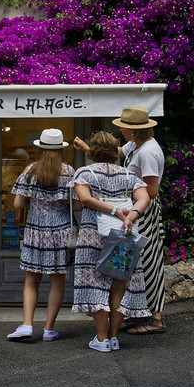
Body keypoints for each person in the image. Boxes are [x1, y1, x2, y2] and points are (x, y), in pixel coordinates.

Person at [71, 130, 151, 352]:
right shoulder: (128, 175)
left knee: (96, 283)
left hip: (93, 236)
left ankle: (101, 337)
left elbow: (85, 199)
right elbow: (144, 197)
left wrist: (115, 210)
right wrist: (131, 215)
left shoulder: (84, 173)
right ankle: (114, 337)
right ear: (115, 152)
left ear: (92, 151)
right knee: (119, 284)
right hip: (123, 236)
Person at [7, 128, 76, 343]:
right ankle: (49, 329)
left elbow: (17, 204)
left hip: (36, 230)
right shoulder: (69, 172)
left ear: (40, 149)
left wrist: (33, 200)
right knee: (57, 281)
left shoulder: (30, 171)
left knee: (31, 280)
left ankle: (27, 324)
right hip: (61, 230)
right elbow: (79, 204)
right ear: (60, 150)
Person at [115, 107, 167, 335]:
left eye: (123, 126)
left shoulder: (147, 153)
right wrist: (90, 149)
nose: (119, 129)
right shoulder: (135, 146)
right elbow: (118, 152)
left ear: (134, 131)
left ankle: (155, 319)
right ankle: (141, 314)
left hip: (144, 210)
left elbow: (152, 191)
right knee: (136, 262)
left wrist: (133, 204)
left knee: (146, 261)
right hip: (137, 207)